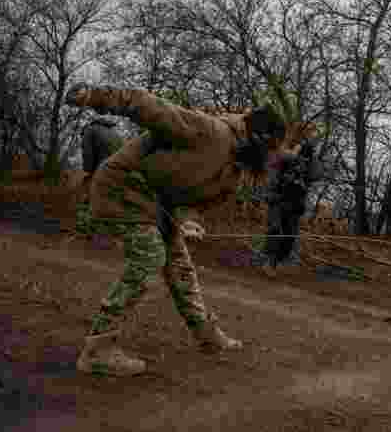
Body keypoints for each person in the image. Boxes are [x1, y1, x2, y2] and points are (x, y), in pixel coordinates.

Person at [65, 84, 290, 376]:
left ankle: (206, 334)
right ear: (260, 138)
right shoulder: (210, 131)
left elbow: (196, 196)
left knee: (179, 264)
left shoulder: (234, 169)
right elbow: (147, 105)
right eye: (273, 149)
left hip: (158, 200)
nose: (273, 159)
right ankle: (98, 349)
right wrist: (95, 96)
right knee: (149, 258)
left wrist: (189, 219)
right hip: (125, 186)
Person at [258, 137, 321, 274]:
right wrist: (271, 194)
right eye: (302, 158)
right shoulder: (287, 159)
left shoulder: (310, 168)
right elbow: (274, 172)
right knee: (275, 230)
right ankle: (269, 260)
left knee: (290, 236)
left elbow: (316, 174)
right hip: (278, 200)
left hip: (294, 205)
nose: (303, 162)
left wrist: (311, 157)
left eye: (306, 159)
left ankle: (277, 261)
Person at [76, 116, 122, 236]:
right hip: (119, 171)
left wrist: (88, 173)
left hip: (103, 169)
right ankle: (113, 229)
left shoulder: (89, 131)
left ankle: (85, 228)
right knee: (112, 199)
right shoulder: (115, 132)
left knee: (88, 195)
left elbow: (88, 154)